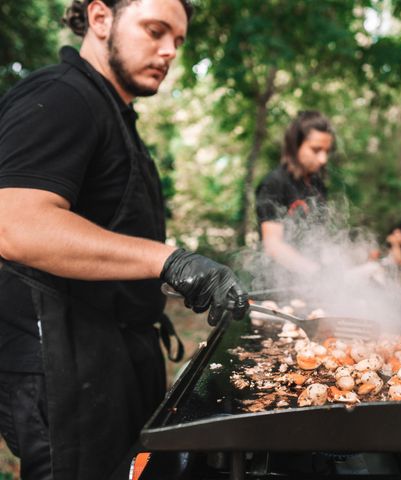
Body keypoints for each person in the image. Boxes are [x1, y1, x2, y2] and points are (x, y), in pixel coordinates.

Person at [0, 1, 249, 479]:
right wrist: (171, 261)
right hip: (64, 365)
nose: (169, 50)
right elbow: (17, 224)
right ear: (99, 19)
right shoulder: (62, 95)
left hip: (115, 357)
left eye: (177, 40)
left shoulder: (114, 114)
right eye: (155, 31)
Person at [255, 111, 334, 275]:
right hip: (276, 287)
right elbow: (273, 245)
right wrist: (317, 273)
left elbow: (320, 238)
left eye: (326, 151)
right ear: (295, 145)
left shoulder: (318, 186)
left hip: (310, 287)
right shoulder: (274, 183)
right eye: (316, 149)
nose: (323, 159)